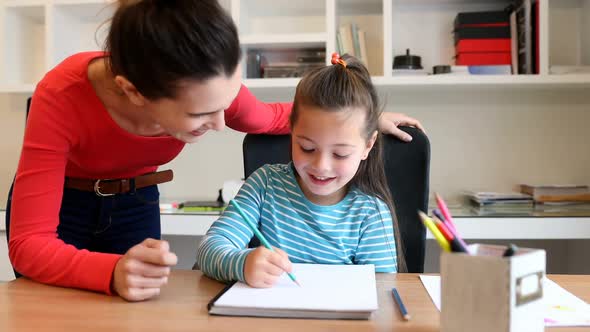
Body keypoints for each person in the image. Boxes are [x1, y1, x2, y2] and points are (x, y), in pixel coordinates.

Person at [6, 0, 420, 301]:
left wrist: (361, 120)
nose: (223, 123)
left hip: (135, 200)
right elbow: (29, 246)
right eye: (202, 114)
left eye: (226, 103)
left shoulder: (205, 83)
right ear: (134, 92)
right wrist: (110, 271)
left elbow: (273, 117)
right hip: (66, 205)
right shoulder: (61, 97)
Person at [195, 53, 407, 288]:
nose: (321, 166)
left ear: (368, 146)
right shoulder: (265, 185)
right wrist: (242, 263)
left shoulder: (369, 213)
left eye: (340, 154)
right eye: (307, 148)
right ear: (291, 133)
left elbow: (383, 290)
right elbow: (209, 249)